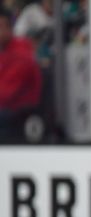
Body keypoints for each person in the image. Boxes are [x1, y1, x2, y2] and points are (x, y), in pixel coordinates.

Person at [0, 6, 42, 143]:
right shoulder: (4, 51)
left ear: (8, 28)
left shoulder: (21, 55)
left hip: (18, 117)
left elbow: (6, 94)